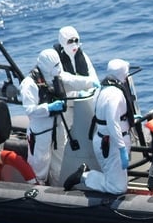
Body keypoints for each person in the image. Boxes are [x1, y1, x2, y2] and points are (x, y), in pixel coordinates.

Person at [19, 48, 97, 184]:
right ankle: (38, 188)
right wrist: (48, 108)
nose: (57, 69)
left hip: (58, 125)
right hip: (41, 130)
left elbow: (72, 82)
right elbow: (29, 110)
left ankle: (57, 187)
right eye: (54, 66)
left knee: (59, 161)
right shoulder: (29, 84)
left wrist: (88, 85)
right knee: (39, 163)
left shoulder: (56, 76)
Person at [63, 59, 134, 194]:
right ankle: (85, 176)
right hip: (111, 143)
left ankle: (92, 177)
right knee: (118, 188)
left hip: (105, 140)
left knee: (117, 181)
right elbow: (113, 124)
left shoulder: (102, 89)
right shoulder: (115, 94)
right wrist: (122, 148)